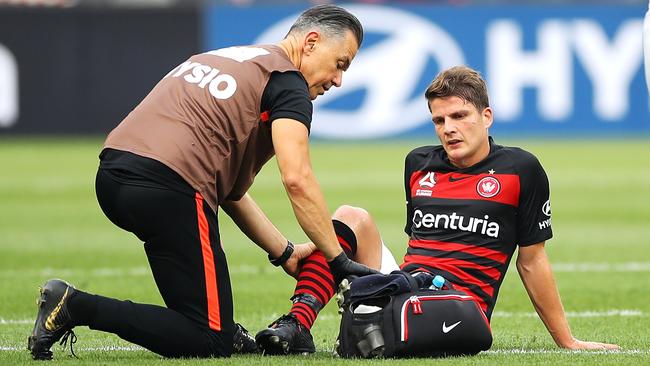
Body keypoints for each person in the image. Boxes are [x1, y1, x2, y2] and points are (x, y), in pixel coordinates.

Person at [27, 4, 378, 360]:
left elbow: (230, 192)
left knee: (202, 322)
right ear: (311, 42)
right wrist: (338, 259)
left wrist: (284, 251)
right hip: (171, 187)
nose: (339, 80)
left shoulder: (226, 57)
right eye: (341, 64)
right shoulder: (288, 83)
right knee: (209, 341)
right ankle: (75, 306)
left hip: (115, 174)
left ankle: (222, 328)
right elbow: (297, 178)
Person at [256, 65, 619, 354]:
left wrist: (566, 340)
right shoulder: (418, 163)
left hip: (462, 305)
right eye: (439, 120)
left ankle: (371, 321)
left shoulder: (521, 169)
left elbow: (532, 260)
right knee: (351, 215)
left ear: (486, 116)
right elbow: (420, 244)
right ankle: (298, 324)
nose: (449, 129)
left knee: (388, 318)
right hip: (408, 284)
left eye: (460, 116)